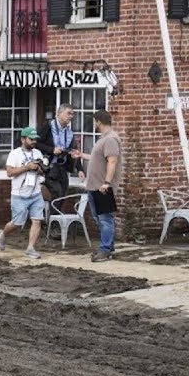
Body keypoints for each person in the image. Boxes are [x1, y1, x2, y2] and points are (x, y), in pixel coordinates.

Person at [0, 126, 47, 259]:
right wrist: (26, 167)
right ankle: (3, 233)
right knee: (17, 222)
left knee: (37, 220)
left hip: (35, 192)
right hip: (19, 193)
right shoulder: (15, 154)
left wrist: (39, 169)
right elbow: (9, 172)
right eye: (31, 139)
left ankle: (30, 248)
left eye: (35, 139)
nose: (33, 142)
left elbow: (43, 170)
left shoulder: (38, 153)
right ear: (23, 139)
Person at [85, 110, 121, 262]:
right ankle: (108, 246)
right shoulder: (103, 139)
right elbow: (97, 159)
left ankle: (105, 250)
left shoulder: (111, 139)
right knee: (99, 218)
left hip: (103, 187)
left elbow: (112, 161)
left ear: (98, 122)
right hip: (95, 186)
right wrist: (81, 156)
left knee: (105, 219)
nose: (94, 125)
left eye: (94, 122)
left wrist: (107, 183)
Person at [35, 104, 85, 205]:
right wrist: (51, 150)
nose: (71, 116)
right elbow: (35, 144)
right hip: (49, 168)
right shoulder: (48, 127)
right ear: (59, 113)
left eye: (72, 114)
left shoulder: (69, 132)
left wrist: (80, 169)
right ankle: (53, 219)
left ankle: (53, 218)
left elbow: (73, 151)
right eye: (68, 113)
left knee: (62, 196)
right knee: (57, 194)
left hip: (63, 168)